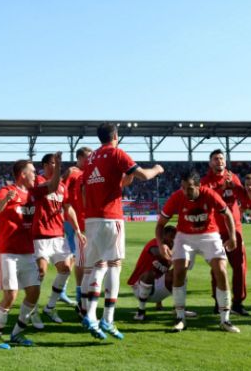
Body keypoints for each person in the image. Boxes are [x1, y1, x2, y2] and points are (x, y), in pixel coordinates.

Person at [82, 123, 164, 340]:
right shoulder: (116, 153)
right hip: (110, 217)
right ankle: (107, 319)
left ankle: (90, 314)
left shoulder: (90, 159)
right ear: (116, 136)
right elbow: (144, 176)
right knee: (114, 266)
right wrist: (157, 168)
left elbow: (109, 183)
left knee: (97, 266)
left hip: (91, 219)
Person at [0, 159, 60, 349]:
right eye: (32, 171)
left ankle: (17, 333)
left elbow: (53, 185)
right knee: (10, 295)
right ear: (22, 174)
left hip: (28, 251)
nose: (35, 175)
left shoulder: (35, 192)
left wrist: (58, 166)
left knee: (34, 293)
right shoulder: (6, 190)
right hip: (8, 252)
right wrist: (6, 200)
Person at [156, 169, 240, 333]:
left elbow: (227, 214)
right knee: (179, 271)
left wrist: (233, 237)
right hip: (185, 236)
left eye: (189, 188)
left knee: (221, 270)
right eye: (182, 187)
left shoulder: (209, 194)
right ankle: (180, 318)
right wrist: (161, 244)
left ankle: (225, 320)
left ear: (199, 186)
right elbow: (160, 225)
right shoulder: (177, 197)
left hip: (209, 234)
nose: (185, 191)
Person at [30, 153, 83, 328]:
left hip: (58, 235)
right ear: (44, 165)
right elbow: (50, 187)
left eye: (56, 163)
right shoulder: (37, 180)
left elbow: (68, 208)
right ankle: (32, 311)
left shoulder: (62, 187)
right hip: (40, 235)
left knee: (66, 268)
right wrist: (60, 169)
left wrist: (77, 230)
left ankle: (50, 307)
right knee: (40, 272)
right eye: (52, 163)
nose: (55, 165)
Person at [201, 149, 249, 316]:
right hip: (215, 232)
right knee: (217, 268)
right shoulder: (205, 182)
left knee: (240, 267)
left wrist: (235, 186)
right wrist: (222, 189)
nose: (219, 161)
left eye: (221, 158)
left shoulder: (233, 178)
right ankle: (219, 301)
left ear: (225, 162)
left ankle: (238, 302)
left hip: (235, 230)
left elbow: (245, 198)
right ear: (210, 163)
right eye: (215, 159)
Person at [128, 226, 197, 320]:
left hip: (157, 289)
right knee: (149, 274)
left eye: (175, 237)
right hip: (139, 287)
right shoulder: (154, 243)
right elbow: (161, 254)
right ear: (163, 236)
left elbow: (167, 268)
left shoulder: (173, 247)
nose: (173, 240)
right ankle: (141, 312)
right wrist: (176, 256)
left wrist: (159, 301)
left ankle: (179, 308)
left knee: (181, 273)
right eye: (171, 237)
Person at [62, 147, 93, 318]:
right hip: (72, 220)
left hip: (81, 220)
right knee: (77, 257)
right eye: (87, 157)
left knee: (78, 257)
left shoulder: (86, 174)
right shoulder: (73, 173)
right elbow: (62, 192)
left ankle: (70, 292)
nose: (90, 160)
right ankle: (76, 294)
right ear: (79, 157)